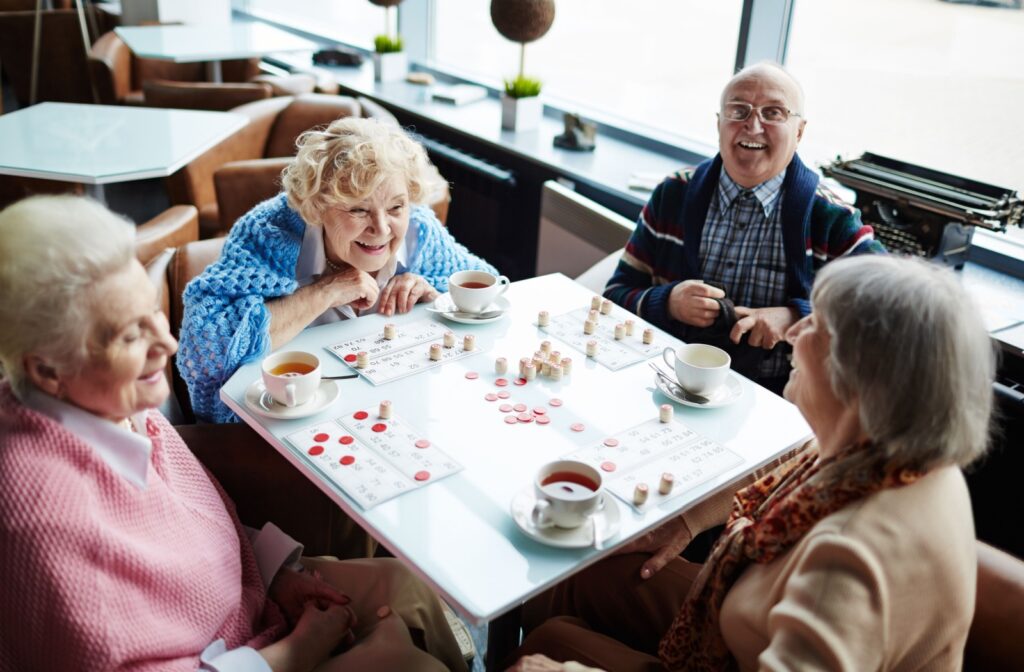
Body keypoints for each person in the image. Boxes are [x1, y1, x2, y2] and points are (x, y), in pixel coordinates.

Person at [0, 195, 467, 672]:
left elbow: (188, 525)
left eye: (153, 317)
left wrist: (276, 575)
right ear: (47, 369)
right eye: (129, 335)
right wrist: (297, 651)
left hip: (248, 609)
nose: (168, 344)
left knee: (405, 585)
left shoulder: (100, 398)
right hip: (240, 658)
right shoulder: (42, 517)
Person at [513, 255, 995, 671]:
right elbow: (783, 460)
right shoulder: (892, 448)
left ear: (862, 382)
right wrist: (685, 521)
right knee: (585, 569)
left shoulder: (847, 562)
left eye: (817, 326)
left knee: (547, 645)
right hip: (742, 621)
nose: (794, 330)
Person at [180, 117, 497, 423]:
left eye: (396, 207)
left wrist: (434, 296)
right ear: (317, 206)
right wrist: (324, 292)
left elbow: (487, 294)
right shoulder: (267, 232)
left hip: (390, 407)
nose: (382, 228)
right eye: (359, 209)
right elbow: (204, 346)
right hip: (283, 422)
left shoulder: (419, 230)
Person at [604, 62, 885, 393]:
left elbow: (885, 314)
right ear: (719, 123)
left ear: (799, 131)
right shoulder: (674, 193)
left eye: (773, 113)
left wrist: (798, 318)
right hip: (668, 382)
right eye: (738, 111)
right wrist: (667, 303)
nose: (753, 126)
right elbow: (614, 296)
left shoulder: (832, 218)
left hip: (778, 398)